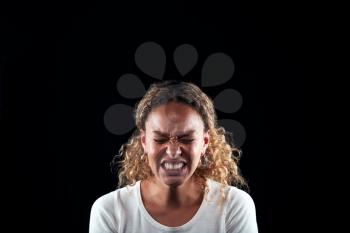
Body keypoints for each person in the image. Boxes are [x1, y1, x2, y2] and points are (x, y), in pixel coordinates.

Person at [89, 80, 258, 233]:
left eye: (186, 139)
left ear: (205, 142)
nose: (173, 151)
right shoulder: (110, 211)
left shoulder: (233, 206)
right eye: (160, 139)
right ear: (144, 141)